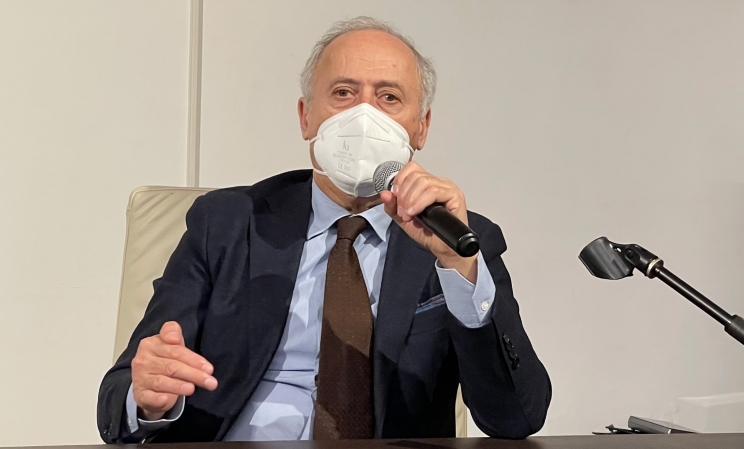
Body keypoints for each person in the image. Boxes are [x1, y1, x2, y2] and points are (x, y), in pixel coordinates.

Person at [97, 16, 551, 443]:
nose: (364, 115)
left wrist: (458, 267)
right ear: (306, 117)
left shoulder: (459, 238)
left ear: (421, 128)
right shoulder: (227, 222)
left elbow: (516, 418)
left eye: (389, 98)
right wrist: (148, 397)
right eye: (343, 92)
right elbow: (117, 399)